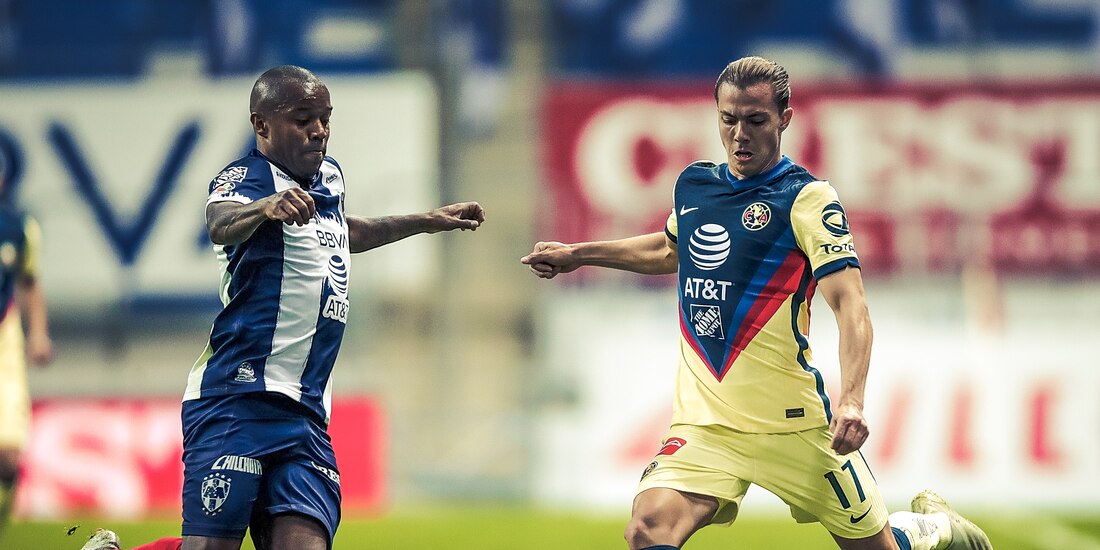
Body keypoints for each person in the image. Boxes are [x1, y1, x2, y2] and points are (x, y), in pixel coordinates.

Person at [521, 56, 991, 550]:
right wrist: (578, 254)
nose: (740, 134)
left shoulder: (807, 200)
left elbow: (850, 304)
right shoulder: (695, 186)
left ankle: (930, 529)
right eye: (729, 119)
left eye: (756, 120)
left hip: (795, 427)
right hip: (708, 427)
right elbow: (670, 250)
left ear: (785, 119)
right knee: (647, 529)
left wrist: (852, 399)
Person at [81, 65, 485, 550]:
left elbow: (344, 231)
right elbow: (220, 222)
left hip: (306, 415)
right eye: (302, 119)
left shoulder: (329, 177)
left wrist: (427, 220)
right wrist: (264, 207)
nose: (319, 130)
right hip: (237, 400)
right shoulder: (244, 178)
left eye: (325, 118)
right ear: (262, 125)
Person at [0, 168, 52, 540]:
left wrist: (38, 333)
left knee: (8, 455)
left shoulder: (18, 226)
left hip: (4, 340)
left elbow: (30, 283)